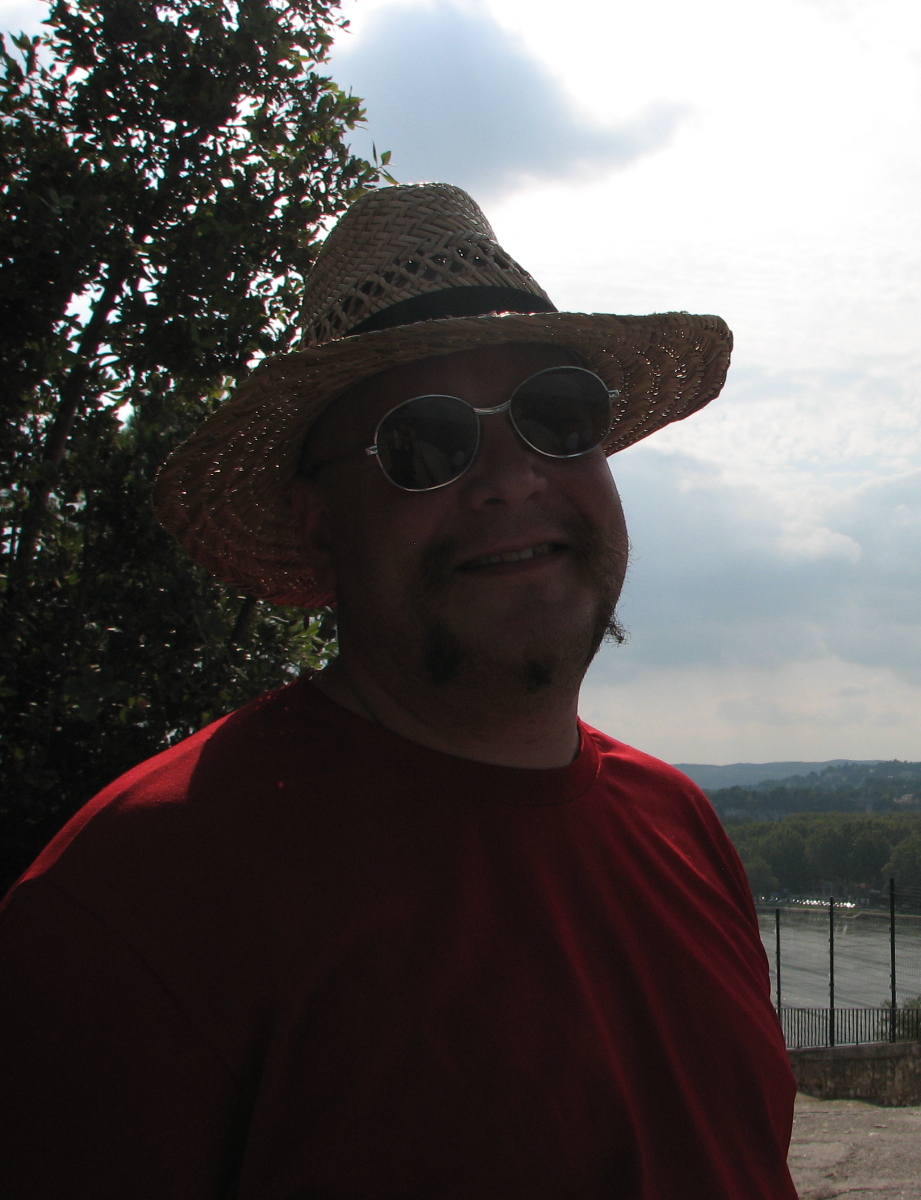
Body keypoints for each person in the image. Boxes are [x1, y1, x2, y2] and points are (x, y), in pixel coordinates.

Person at [0, 184, 797, 1198]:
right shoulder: (138, 903)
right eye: (426, 442)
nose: (512, 480)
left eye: (558, 415)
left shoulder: (678, 825)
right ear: (321, 521)